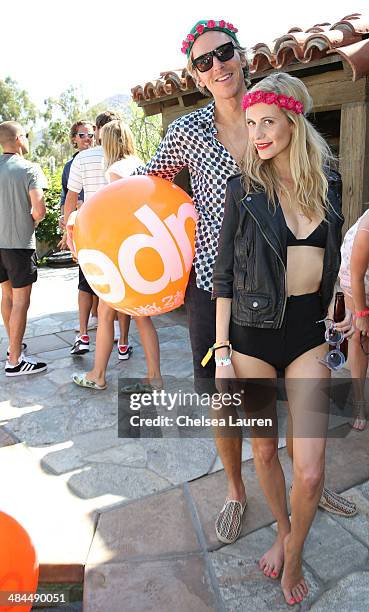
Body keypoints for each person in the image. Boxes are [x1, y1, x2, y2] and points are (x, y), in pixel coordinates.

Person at [132, 19, 355, 542]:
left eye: (224, 52)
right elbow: (149, 185)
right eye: (203, 61)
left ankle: (309, 483)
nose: (217, 65)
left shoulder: (273, 114)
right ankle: (235, 491)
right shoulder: (186, 132)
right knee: (225, 398)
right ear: (196, 74)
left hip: (289, 292)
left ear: (242, 55)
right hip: (217, 286)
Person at [212, 72, 352, 604]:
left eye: (267, 121)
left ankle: (293, 553)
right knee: (266, 451)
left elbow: (330, 256)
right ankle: (280, 527)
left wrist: (339, 302)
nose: (258, 133)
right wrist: (222, 350)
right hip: (249, 337)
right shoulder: (242, 187)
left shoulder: (329, 182)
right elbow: (223, 276)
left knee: (311, 472)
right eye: (251, 124)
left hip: (308, 336)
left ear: (294, 120)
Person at [72, 120, 162, 390]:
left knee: (105, 311)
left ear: (109, 142)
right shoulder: (139, 163)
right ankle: (154, 376)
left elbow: (119, 215)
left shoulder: (114, 171)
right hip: (143, 248)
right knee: (141, 314)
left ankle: (97, 375)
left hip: (122, 251)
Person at [64, 110, 126, 356]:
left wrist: (67, 230)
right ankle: (121, 341)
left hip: (89, 229)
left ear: (98, 130)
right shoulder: (126, 158)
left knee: (85, 284)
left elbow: (71, 197)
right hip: (119, 232)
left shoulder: (83, 158)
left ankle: (84, 335)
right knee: (120, 287)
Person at [0, 121, 47, 376]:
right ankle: (15, 361)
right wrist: (32, 221)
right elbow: (39, 209)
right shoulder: (30, 168)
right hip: (19, 244)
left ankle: (13, 348)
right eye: (26, 135)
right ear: (18, 139)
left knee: (6, 297)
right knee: (21, 301)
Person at [58, 120, 99, 332]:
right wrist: (65, 222)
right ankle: (93, 317)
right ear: (74, 139)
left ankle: (101, 317)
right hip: (81, 224)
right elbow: (67, 196)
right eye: (82, 135)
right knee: (86, 273)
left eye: (91, 135)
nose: (87, 139)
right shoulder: (69, 166)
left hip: (98, 221)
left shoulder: (104, 156)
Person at [339, 208, 369, 430]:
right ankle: (359, 404)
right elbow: (357, 276)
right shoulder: (367, 228)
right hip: (358, 277)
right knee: (360, 338)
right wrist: (361, 315)